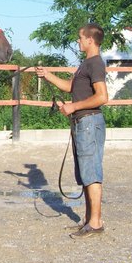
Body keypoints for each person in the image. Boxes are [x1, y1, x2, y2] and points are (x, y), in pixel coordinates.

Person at [35, 23, 109, 239]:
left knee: (92, 172)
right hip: (82, 123)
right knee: (86, 172)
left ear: (89, 40)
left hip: (89, 122)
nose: (78, 41)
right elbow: (70, 87)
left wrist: (73, 107)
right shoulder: (85, 64)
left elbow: (102, 97)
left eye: (80, 38)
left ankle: (95, 223)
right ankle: (90, 220)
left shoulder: (95, 64)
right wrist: (47, 75)